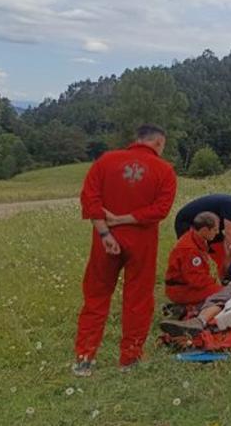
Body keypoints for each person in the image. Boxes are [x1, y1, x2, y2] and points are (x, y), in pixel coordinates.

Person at [73, 124, 177, 376]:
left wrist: (106, 232)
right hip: (141, 242)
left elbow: (90, 198)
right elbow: (160, 210)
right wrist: (125, 219)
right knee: (138, 300)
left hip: (104, 240)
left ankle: (84, 359)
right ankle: (129, 359)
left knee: (96, 297)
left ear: (137, 139)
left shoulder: (106, 160)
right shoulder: (165, 170)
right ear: (159, 143)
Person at [173, 194, 231, 280]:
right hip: (188, 222)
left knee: (221, 255)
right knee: (194, 255)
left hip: (211, 228)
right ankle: (185, 281)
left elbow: (229, 242)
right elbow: (230, 236)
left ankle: (225, 280)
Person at [164, 211, 222, 308]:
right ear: (204, 230)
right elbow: (196, 280)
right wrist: (214, 284)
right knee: (225, 294)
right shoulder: (190, 250)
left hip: (184, 286)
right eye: (215, 229)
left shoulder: (193, 238)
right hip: (182, 290)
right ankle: (191, 311)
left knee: (223, 290)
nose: (217, 232)